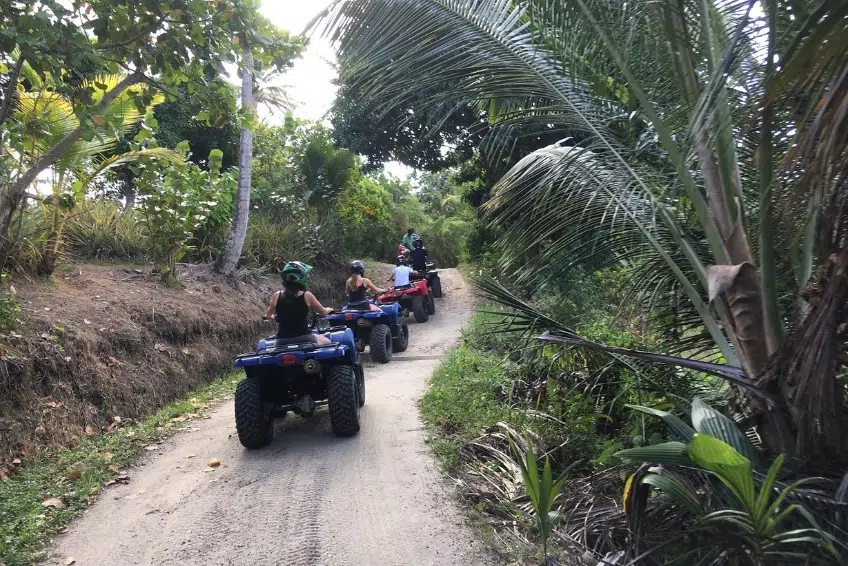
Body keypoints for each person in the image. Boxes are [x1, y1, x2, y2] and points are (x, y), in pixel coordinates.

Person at [265, 261, 332, 345]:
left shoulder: (276, 296)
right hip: (305, 338)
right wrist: (329, 309)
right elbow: (323, 312)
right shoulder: (307, 295)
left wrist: (273, 317)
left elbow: (268, 315)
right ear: (302, 277)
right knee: (328, 342)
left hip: (282, 341)